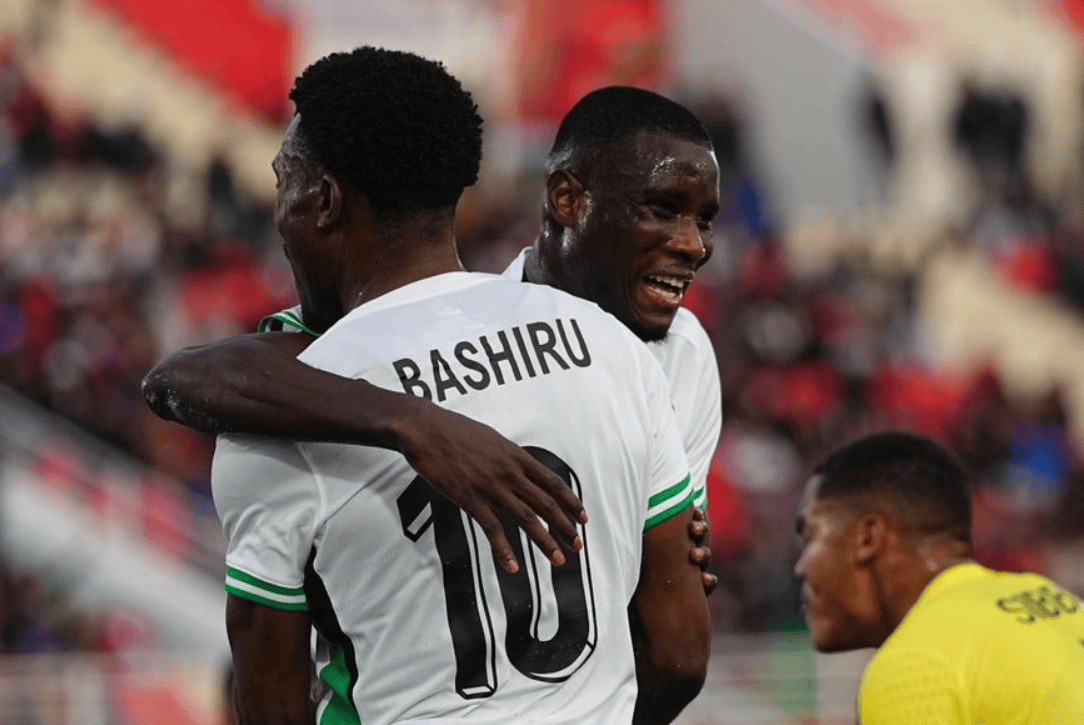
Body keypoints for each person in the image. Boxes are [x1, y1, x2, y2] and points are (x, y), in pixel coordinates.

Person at [216, 47, 708, 724]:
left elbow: (270, 700)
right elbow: (678, 653)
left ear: (323, 201)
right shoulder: (613, 346)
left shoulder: (287, 411)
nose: (279, 210)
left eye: (284, 181)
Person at [142, 86, 722, 588]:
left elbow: (665, 574)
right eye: (663, 209)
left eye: (704, 220)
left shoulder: (687, 355)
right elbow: (184, 379)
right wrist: (413, 422)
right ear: (567, 200)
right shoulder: (448, 321)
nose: (695, 245)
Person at [795, 431, 1084, 724]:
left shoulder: (915, 661)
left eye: (812, 538)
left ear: (867, 539)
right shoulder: (1041, 594)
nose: (801, 566)